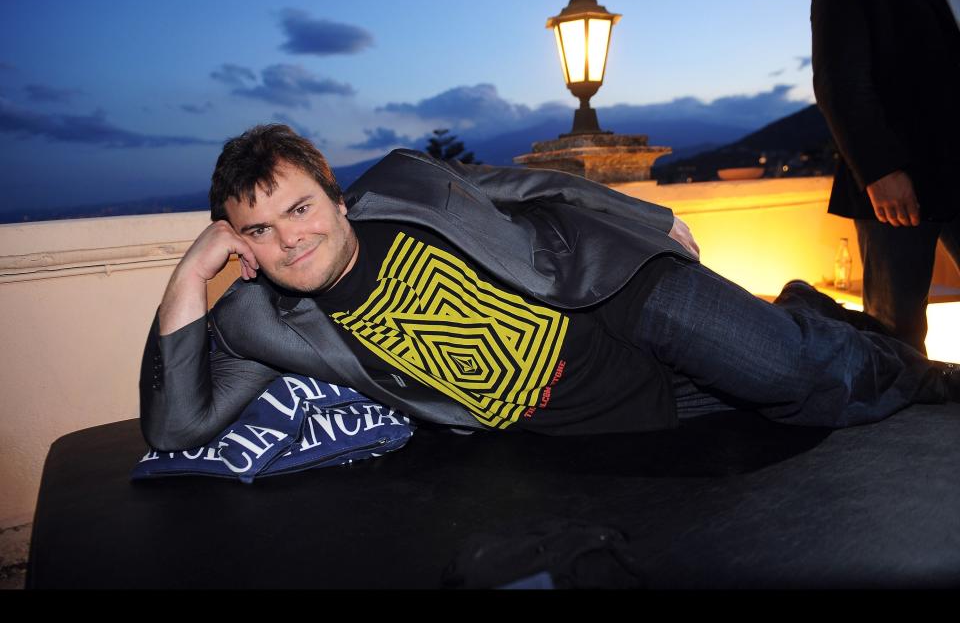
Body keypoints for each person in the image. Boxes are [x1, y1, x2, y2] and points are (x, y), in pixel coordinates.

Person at [140, 124, 958, 452]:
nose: (291, 238)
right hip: (604, 412)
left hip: (619, 296)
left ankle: (928, 373)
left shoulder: (404, 181)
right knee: (793, 405)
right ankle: (800, 311)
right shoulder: (261, 317)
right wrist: (188, 275)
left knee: (792, 376)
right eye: (258, 231)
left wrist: (641, 221)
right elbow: (177, 427)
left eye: (300, 208)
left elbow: (527, 186)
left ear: (335, 195)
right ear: (236, 243)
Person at [811, 0, 960, 355]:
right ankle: (900, 415)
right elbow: (839, 80)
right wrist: (880, 169)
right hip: (900, 177)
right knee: (896, 334)